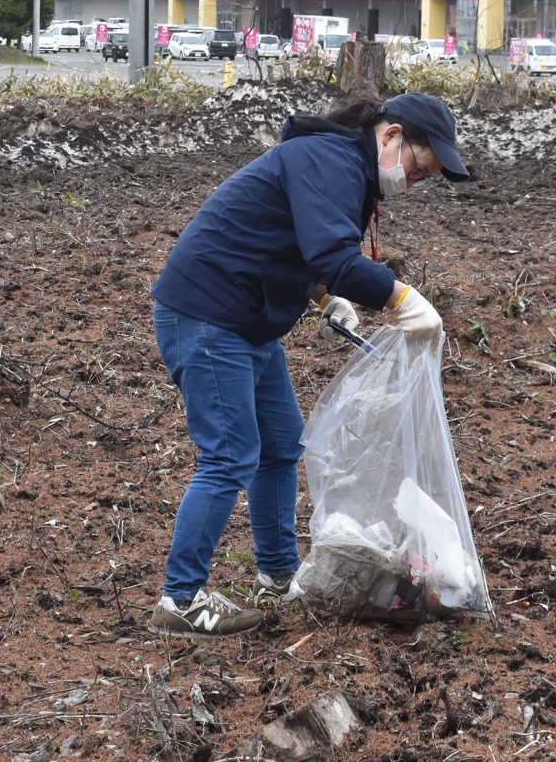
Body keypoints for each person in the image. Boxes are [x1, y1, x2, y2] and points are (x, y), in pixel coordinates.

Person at [148, 92, 470, 637]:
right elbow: (333, 255)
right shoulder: (329, 158)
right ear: (392, 135)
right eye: (420, 168)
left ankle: (278, 575)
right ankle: (180, 599)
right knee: (229, 454)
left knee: (280, 445)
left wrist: (324, 297)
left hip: (247, 320)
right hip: (207, 314)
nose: (416, 181)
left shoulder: (348, 169)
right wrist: (402, 298)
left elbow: (294, 243)